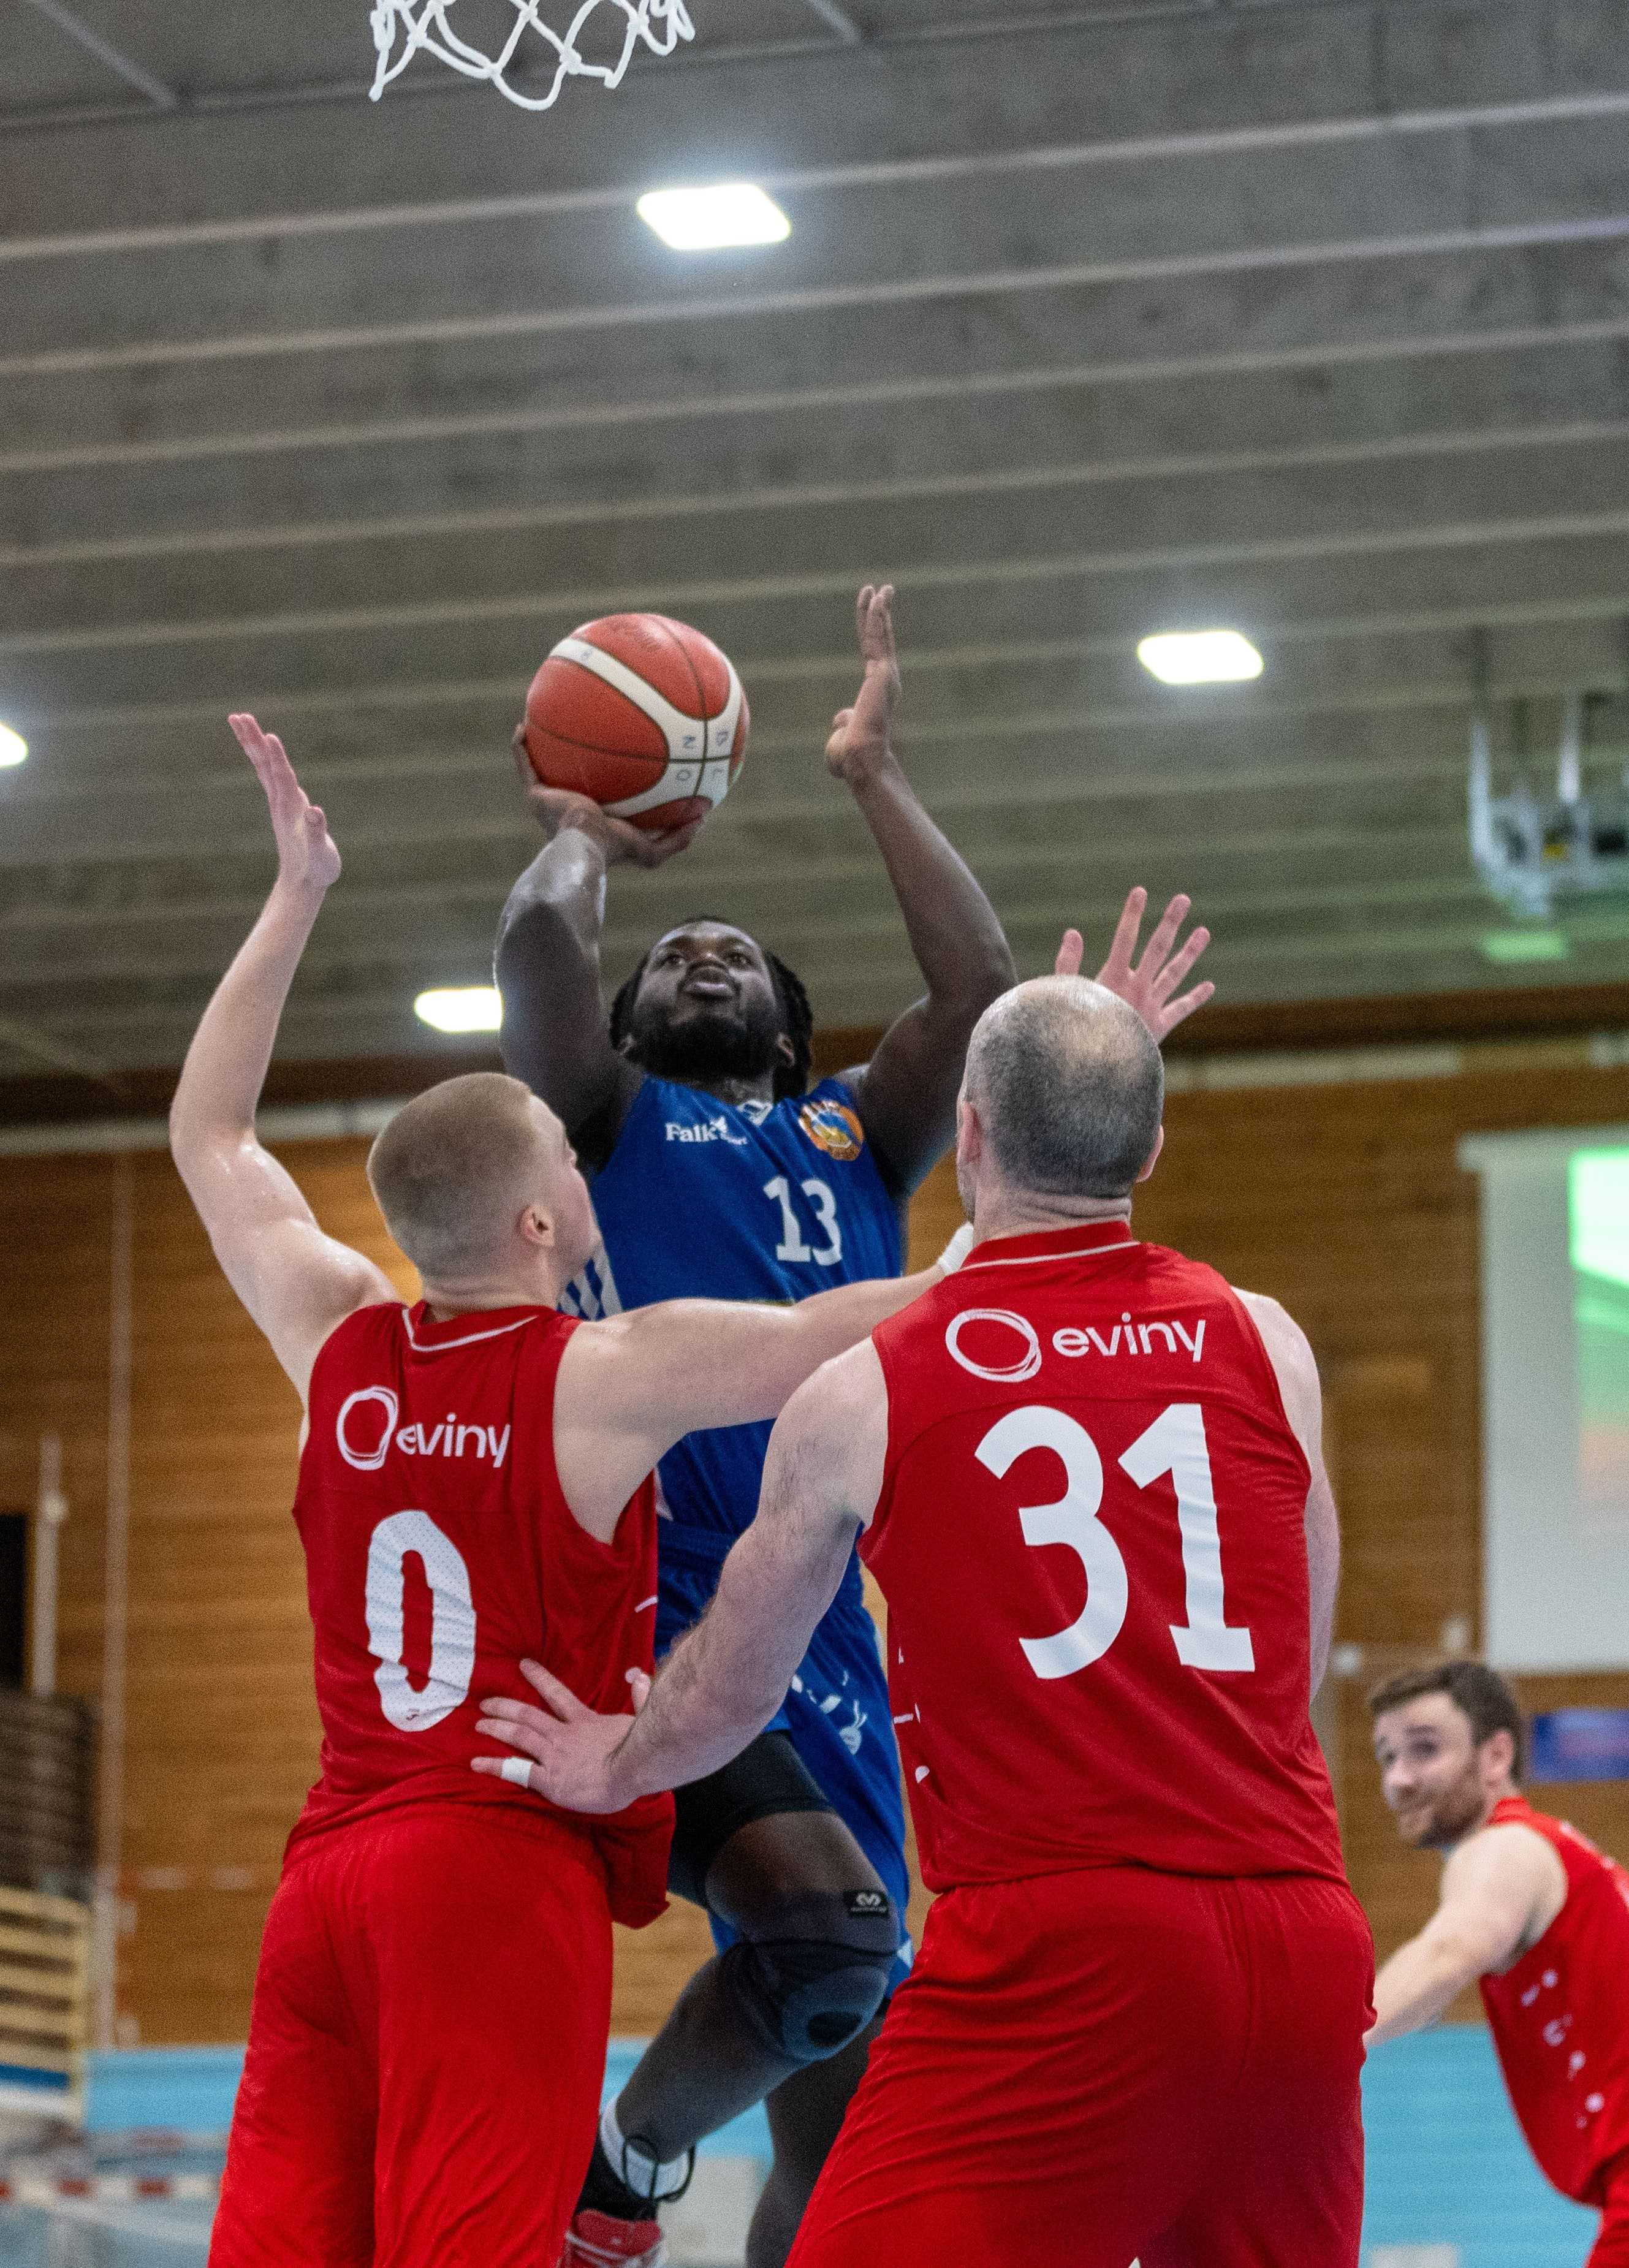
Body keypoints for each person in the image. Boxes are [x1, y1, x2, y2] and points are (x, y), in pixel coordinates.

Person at [177, 717, 959, 2268]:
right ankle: (634, 2159)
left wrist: (294, 896)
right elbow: (834, 1332)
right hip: (498, 1851)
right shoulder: (595, 1376)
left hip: (330, 1872)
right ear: (549, 1215)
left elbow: (212, 1135)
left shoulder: (334, 1334)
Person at [495, 584, 1216, 2267]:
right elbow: (538, 959)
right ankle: (627, 2154)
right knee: (823, 1932)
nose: (705, 951)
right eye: (677, 954)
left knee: (854, 2162)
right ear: (626, 1029)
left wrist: (874, 776)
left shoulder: (852, 1138)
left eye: (737, 952)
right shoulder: (604, 1124)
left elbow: (975, 992)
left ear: (797, 1029)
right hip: (649, 1615)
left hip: (832, 1638)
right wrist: (585, 834)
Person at [478, 971, 1374, 2268]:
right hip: (1300, 1931)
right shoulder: (1267, 1339)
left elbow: (733, 1684)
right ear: (1155, 1148)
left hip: (1060, 1945)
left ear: (968, 1134)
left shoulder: (871, 1383)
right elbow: (1295, 1643)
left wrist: (610, 1760)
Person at [1367, 1661, 1629, 2263]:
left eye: (1424, 1749)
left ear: (1496, 1754)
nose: (1399, 1778)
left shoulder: (1505, 1846)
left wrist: (1322, 2045)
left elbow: (1447, 1952)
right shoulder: (1555, 1853)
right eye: (1385, 1756)